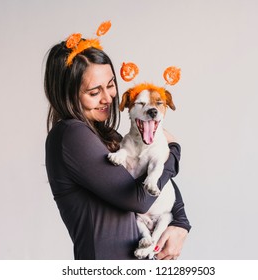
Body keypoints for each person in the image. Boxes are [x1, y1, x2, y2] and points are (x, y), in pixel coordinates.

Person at [43, 33, 191, 260]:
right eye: (94, 92)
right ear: (68, 95)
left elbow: (158, 183)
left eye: (111, 85)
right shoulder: (71, 135)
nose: (108, 98)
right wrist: (173, 149)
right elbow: (138, 200)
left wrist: (180, 223)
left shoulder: (106, 135)